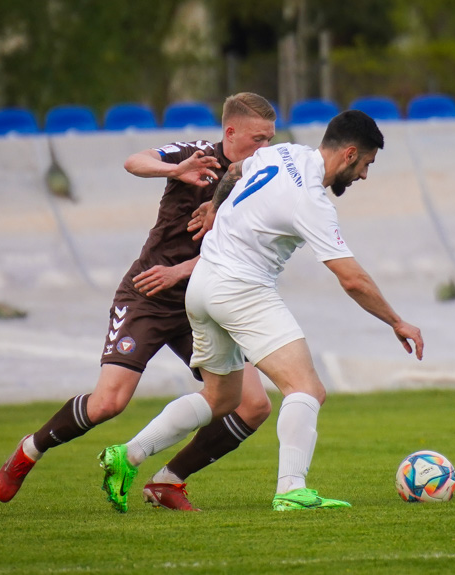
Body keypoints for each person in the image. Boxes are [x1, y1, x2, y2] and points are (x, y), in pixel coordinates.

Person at [98, 110, 424, 512]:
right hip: (241, 288)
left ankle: (127, 455)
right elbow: (352, 279)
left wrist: (216, 209)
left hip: (201, 286)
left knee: (221, 397)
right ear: (350, 153)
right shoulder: (312, 201)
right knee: (306, 389)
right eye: (366, 165)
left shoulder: (283, 153)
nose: (363, 176)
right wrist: (397, 321)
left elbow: (235, 171)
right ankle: (291, 489)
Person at [0, 93, 277, 511]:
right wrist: (175, 170)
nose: (265, 149)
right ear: (230, 132)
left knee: (254, 405)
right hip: (148, 294)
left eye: (271, 139)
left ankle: (168, 482)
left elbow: (243, 249)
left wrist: (183, 271)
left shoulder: (263, 180)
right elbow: (134, 161)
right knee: (109, 403)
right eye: (258, 139)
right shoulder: (195, 155)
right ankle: (29, 451)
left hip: (203, 301)